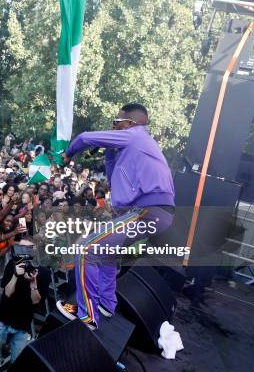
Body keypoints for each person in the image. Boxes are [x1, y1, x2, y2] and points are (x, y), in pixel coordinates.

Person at [57, 103, 175, 330]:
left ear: (131, 123)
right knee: (106, 252)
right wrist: (109, 152)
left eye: (116, 122)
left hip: (147, 211)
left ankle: (88, 316)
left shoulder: (134, 136)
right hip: (153, 213)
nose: (113, 126)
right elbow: (114, 182)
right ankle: (107, 304)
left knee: (86, 249)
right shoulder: (136, 147)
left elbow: (84, 137)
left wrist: (68, 154)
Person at [0, 240, 49, 372]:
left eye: (29, 248)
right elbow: (7, 292)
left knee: (17, 363)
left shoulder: (43, 272)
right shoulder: (12, 264)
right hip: (3, 320)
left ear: (35, 249)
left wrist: (33, 283)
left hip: (22, 326)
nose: (24, 252)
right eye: (22, 248)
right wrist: (15, 275)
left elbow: (36, 301)